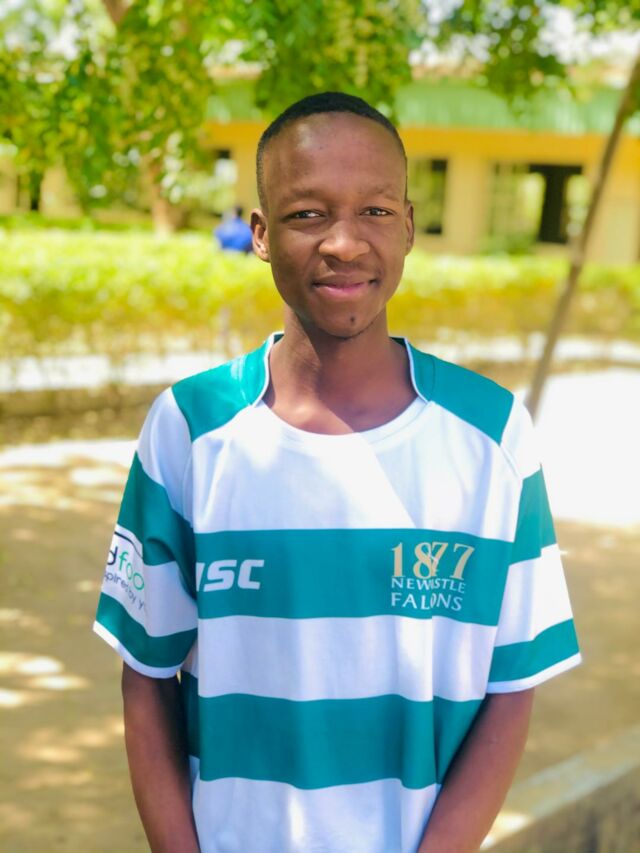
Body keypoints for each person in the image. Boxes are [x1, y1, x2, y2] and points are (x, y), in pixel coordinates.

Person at [93, 92, 581, 853]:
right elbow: (147, 672)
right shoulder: (190, 429)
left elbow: (510, 690)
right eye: (307, 214)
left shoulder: (493, 437)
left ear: (409, 226)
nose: (345, 243)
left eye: (376, 211)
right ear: (260, 233)